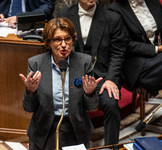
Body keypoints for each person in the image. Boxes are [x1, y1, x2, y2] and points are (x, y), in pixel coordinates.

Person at [19, 17, 102, 150]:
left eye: (67, 39)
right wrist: (30, 91)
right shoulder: (36, 63)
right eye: (57, 39)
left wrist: (90, 93)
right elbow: (29, 108)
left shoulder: (84, 62)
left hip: (75, 130)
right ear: (49, 42)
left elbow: (92, 107)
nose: (63, 44)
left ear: (73, 39)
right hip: (44, 130)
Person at [57, 0, 126, 145]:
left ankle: (110, 147)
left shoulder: (112, 18)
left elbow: (117, 53)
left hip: (102, 78)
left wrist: (111, 79)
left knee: (111, 104)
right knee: (64, 101)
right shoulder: (64, 15)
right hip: (72, 76)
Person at [109, 0, 162, 109]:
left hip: (157, 56)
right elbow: (126, 45)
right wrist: (157, 49)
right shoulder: (115, 9)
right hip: (134, 62)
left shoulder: (153, 2)